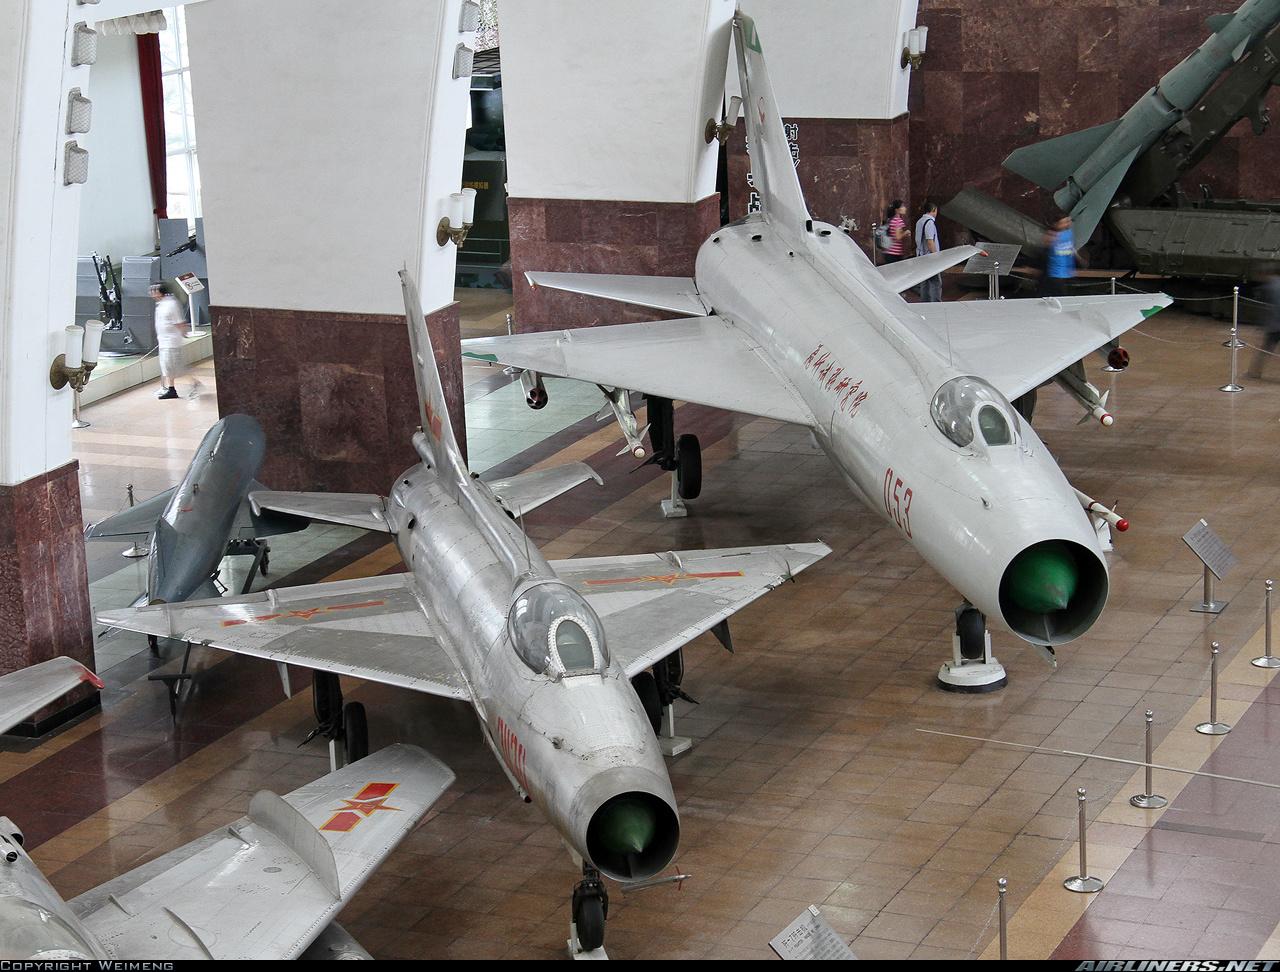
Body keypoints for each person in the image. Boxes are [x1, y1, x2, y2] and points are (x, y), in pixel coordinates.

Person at [151, 282, 193, 400]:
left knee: (175, 368)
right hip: (164, 342)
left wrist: (184, 332)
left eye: (154, 291)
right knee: (168, 367)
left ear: (160, 292)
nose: (151, 293)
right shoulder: (161, 304)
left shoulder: (171, 304)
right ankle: (171, 389)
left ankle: (194, 383)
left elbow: (179, 321)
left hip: (171, 342)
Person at [1245, 265, 1280, 379]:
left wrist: (1262, 325)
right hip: (1275, 324)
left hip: (1275, 326)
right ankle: (1254, 372)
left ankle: (1254, 373)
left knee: (1264, 350)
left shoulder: (1269, 287)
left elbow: (1269, 309)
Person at [1039, 213, 1076, 298]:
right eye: (1064, 222)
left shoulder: (1068, 234)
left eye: (1068, 221)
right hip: (1054, 273)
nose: (1067, 224)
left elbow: (1070, 249)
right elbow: (1046, 244)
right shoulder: (1051, 235)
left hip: (1066, 272)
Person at [914, 200, 942, 302]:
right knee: (936, 282)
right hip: (930, 257)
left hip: (920, 255)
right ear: (933, 210)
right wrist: (936, 255)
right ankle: (936, 303)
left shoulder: (919, 221)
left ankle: (925, 302)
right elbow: (930, 242)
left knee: (924, 281)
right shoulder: (929, 223)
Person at [881, 199, 911, 263]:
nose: (905, 208)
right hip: (894, 253)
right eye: (902, 206)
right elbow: (898, 237)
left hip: (888, 251)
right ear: (897, 210)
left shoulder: (891, 219)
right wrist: (906, 232)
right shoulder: (898, 220)